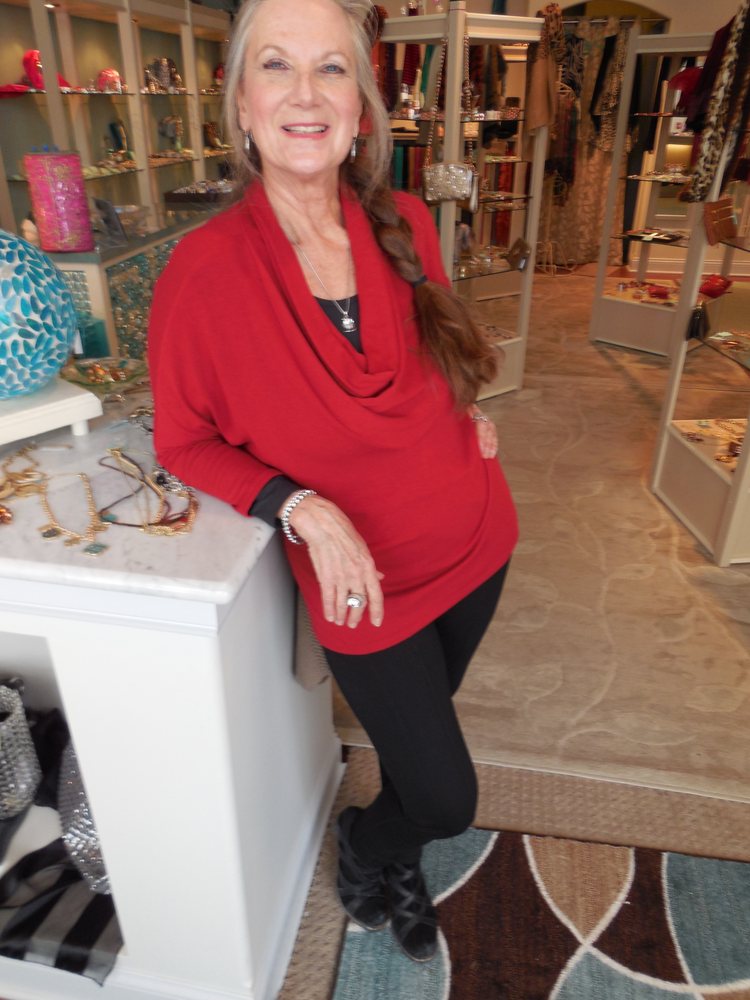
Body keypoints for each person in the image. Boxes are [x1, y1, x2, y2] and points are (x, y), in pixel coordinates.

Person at [148, 0, 518, 964]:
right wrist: (300, 506)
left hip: (478, 540)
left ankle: (389, 843)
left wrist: (467, 407)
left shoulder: (405, 221)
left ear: (361, 107)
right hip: (367, 582)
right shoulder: (202, 270)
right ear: (240, 103)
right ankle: (368, 842)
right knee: (445, 795)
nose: (305, 93)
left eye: (332, 68)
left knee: (413, 749)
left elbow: (441, 347)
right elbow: (182, 440)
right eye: (276, 65)